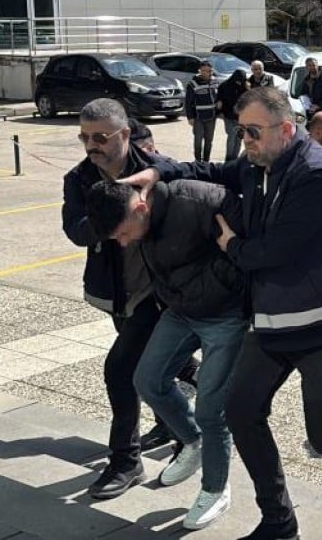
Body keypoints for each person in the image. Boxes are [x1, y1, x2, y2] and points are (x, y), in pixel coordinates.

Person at [123, 86, 322, 539]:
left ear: (286, 130)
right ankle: (279, 522)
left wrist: (230, 244)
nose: (245, 141)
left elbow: (273, 252)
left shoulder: (319, 175)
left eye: (253, 132)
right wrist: (159, 169)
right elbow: (214, 170)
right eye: (241, 131)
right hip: (274, 325)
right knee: (241, 413)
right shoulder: (258, 166)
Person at [85, 180, 246, 530]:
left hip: (226, 314)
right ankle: (193, 441)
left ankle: (215, 489)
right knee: (147, 380)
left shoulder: (197, 201)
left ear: (141, 208)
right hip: (181, 309)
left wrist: (229, 283)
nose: (124, 242)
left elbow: (247, 244)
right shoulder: (138, 218)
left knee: (211, 409)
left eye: (124, 233)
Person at [61, 98, 184, 499]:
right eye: (84, 137)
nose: (91, 145)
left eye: (100, 137)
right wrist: (113, 212)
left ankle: (127, 460)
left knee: (120, 370)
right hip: (119, 293)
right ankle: (180, 430)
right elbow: (75, 230)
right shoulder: (79, 178)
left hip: (157, 292)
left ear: (125, 134)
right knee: (157, 367)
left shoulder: (157, 169)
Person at [186, 60, 219, 162]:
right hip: (198, 117)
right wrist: (190, 117)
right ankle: (198, 162)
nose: (208, 73)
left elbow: (217, 96)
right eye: (205, 71)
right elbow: (188, 102)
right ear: (200, 71)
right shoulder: (193, 83)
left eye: (210, 71)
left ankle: (206, 162)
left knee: (209, 141)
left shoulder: (215, 81)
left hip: (211, 117)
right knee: (198, 141)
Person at [219, 69, 249, 161]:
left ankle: (235, 159)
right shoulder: (225, 85)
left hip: (241, 117)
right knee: (232, 135)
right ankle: (228, 158)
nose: (239, 82)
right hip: (229, 116)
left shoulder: (245, 87)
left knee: (239, 137)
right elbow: (219, 98)